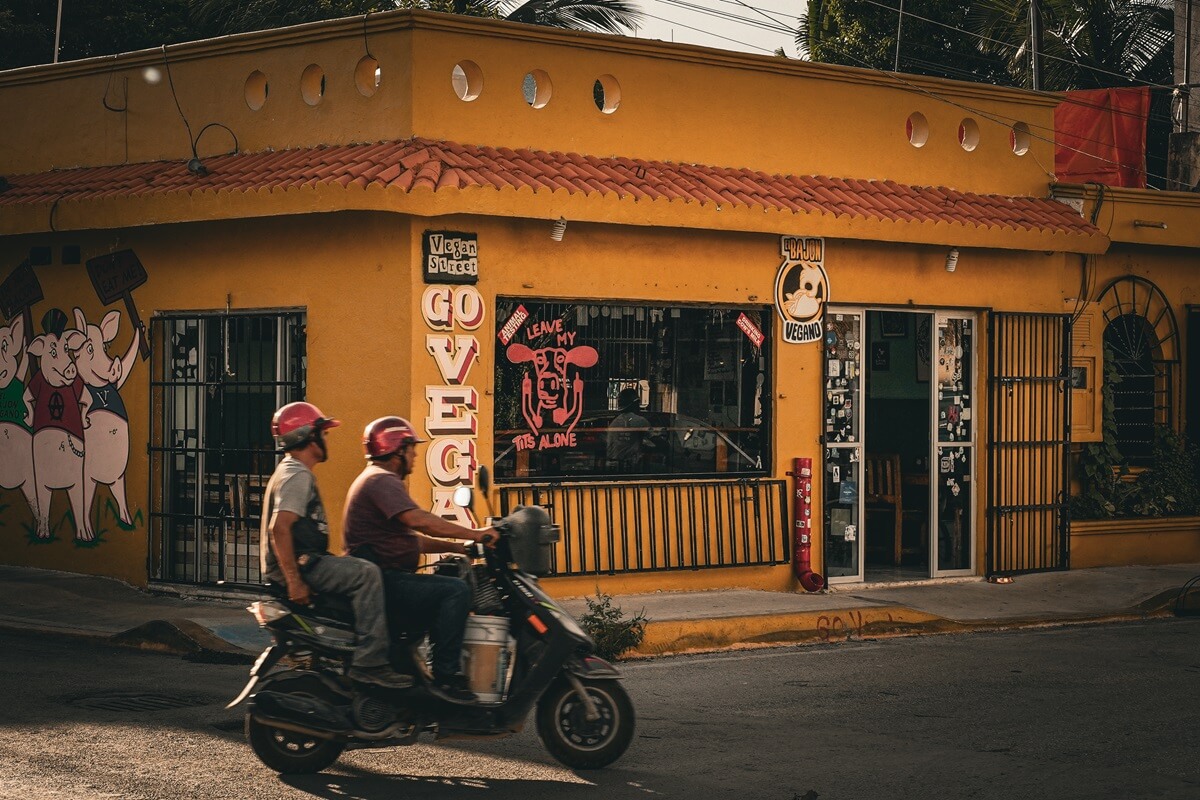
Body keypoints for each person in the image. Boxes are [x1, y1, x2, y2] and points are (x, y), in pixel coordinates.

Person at [343, 416, 497, 704]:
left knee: (445, 582)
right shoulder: (381, 480)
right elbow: (419, 521)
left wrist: (458, 548)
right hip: (383, 580)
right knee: (455, 591)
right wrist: (477, 534)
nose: (415, 455)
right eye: (412, 449)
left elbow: (411, 539)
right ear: (398, 450)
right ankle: (447, 678)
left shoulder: (379, 479)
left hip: (383, 576)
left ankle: (417, 668)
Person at [260, 401, 413, 690]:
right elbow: (279, 528)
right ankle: (371, 664)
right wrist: (294, 581)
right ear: (308, 436)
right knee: (367, 574)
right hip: (304, 564)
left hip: (307, 561)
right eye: (323, 433)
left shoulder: (291, 471)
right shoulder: (297, 474)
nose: (327, 439)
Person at [606, 387, 652, 470]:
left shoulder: (615, 422)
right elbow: (654, 439)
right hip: (633, 465)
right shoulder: (639, 421)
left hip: (614, 464)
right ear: (635, 403)